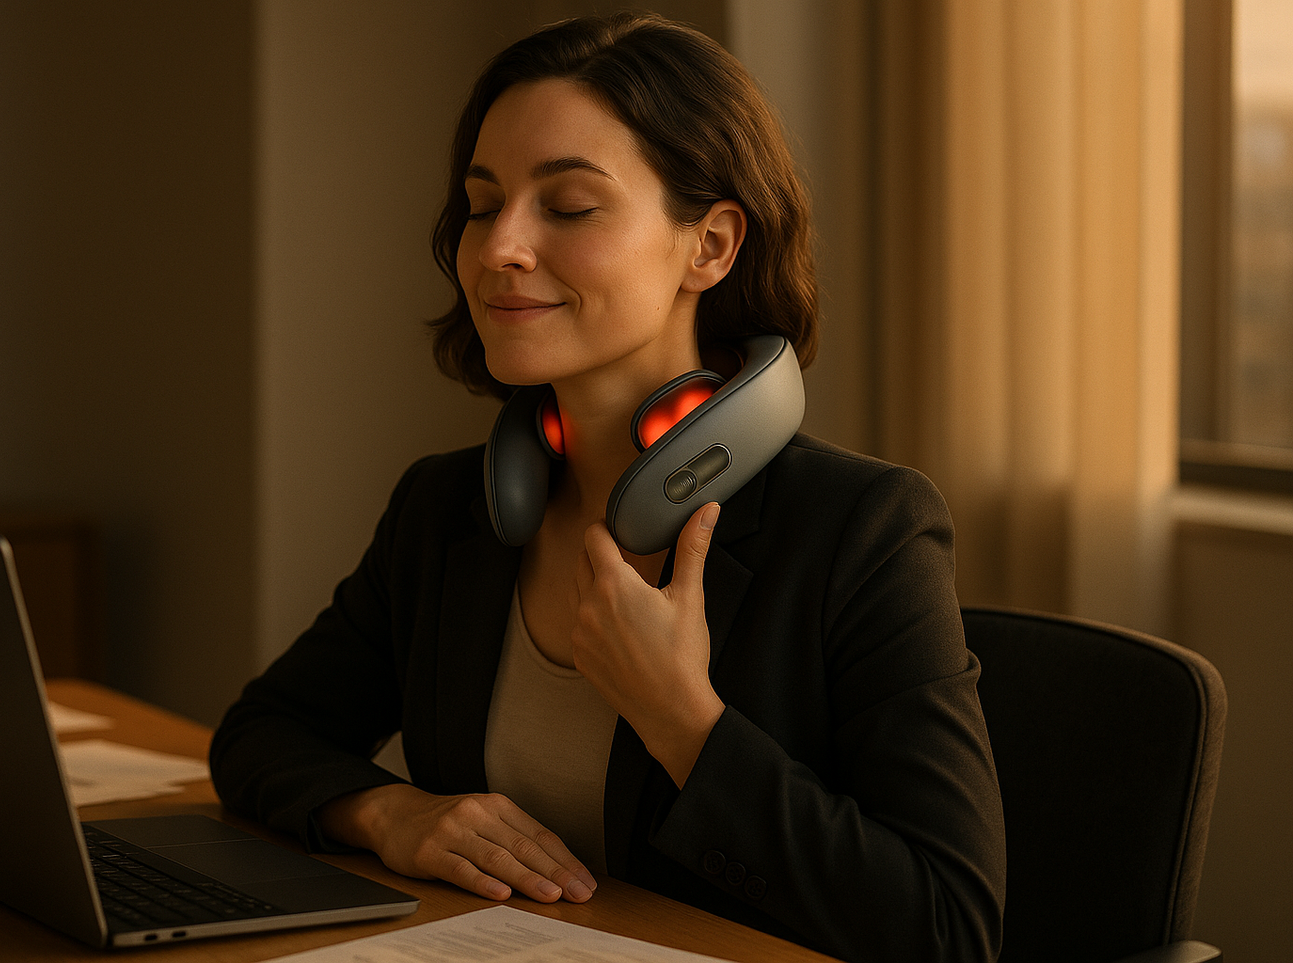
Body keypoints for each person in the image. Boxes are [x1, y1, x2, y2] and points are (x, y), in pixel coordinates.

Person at [210, 13, 1006, 963]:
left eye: (568, 207)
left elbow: (946, 927)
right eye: (481, 202)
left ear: (709, 246)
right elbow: (261, 734)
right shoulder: (444, 510)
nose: (499, 246)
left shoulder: (860, 530)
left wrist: (684, 722)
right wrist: (387, 812)